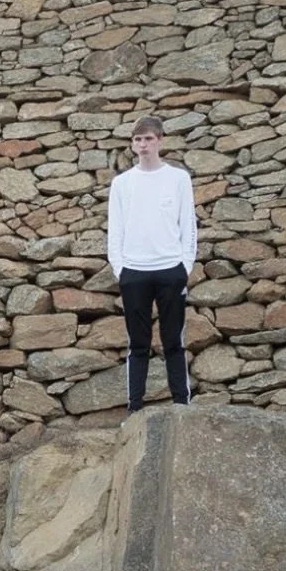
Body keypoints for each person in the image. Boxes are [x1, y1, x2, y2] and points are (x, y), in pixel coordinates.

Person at [107, 113, 197, 415]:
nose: (143, 144)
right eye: (138, 139)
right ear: (132, 145)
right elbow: (115, 229)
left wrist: (184, 266)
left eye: (148, 138)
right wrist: (120, 269)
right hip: (134, 271)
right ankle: (134, 410)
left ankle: (182, 407)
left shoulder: (178, 179)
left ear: (160, 141)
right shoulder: (122, 184)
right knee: (138, 344)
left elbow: (188, 225)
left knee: (173, 342)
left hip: (171, 270)